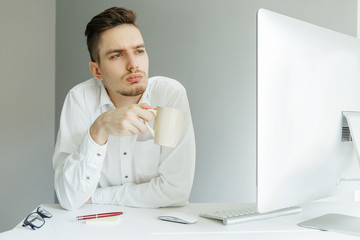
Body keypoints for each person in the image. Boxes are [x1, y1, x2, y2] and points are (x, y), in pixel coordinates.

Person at [53, 7, 196, 210]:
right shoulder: (81, 99)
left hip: (157, 224)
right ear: (97, 70)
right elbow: (69, 197)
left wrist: (96, 197)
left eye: (139, 51)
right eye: (117, 55)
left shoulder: (167, 96)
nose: (133, 65)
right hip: (94, 227)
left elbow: (175, 191)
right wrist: (99, 129)